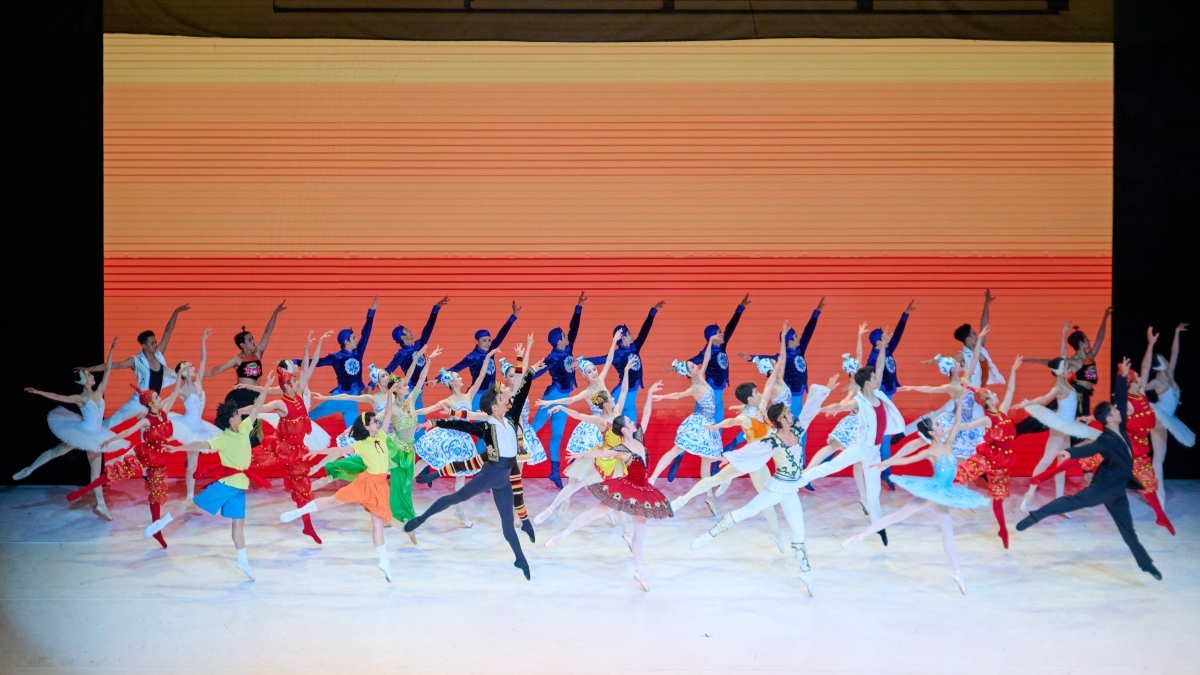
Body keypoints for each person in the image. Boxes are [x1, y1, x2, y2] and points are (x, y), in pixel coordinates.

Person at [1016, 359, 1162, 582]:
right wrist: (1069, 453)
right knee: (1072, 502)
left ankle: (1147, 565)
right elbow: (1089, 449)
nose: (1119, 410)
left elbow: (1120, 399)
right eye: (1115, 410)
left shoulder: (1120, 427)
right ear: (1109, 418)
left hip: (1118, 491)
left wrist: (1122, 376)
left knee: (1128, 531)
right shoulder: (1105, 439)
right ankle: (1035, 516)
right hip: (1102, 489)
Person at [689, 374, 835, 597]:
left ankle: (806, 572)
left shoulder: (797, 430)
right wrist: (727, 457)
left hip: (792, 490)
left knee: (799, 532)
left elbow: (809, 411)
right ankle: (710, 534)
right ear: (781, 419)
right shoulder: (772, 441)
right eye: (788, 414)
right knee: (747, 511)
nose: (792, 415)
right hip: (777, 488)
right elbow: (751, 450)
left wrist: (825, 390)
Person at [405, 355, 538, 580]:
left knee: (507, 524)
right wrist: (435, 421)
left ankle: (520, 559)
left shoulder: (511, 417)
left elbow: (521, 390)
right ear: (494, 407)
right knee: (456, 497)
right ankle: (421, 519)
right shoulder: (487, 427)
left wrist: (530, 370)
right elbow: (462, 424)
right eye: (503, 399)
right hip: (491, 474)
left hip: (504, 478)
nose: (507, 400)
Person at [843, 396, 989, 596]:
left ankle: (958, 574)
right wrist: (884, 463)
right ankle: (861, 536)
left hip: (944, 494)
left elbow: (957, 422)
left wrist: (962, 396)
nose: (941, 425)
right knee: (899, 516)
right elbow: (908, 459)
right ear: (932, 432)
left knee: (948, 535)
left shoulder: (948, 444)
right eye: (938, 424)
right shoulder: (931, 451)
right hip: (934, 492)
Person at [543, 382, 670, 591]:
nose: (634, 422)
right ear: (625, 429)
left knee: (640, 532)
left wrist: (649, 393)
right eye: (630, 421)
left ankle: (639, 571)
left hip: (643, 491)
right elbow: (602, 453)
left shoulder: (639, 437)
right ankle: (563, 535)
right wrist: (582, 454)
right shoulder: (622, 449)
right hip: (625, 490)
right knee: (593, 514)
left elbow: (647, 413)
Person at [312, 346, 444, 535]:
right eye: (384, 376)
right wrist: (347, 424)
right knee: (370, 470)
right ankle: (333, 474)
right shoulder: (385, 404)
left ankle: (392, 514)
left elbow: (419, 378)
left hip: (407, 450)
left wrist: (427, 359)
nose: (407, 385)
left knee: (402, 485)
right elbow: (363, 410)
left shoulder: (410, 400)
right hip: (389, 445)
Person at [282, 379, 405, 582]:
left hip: (381, 486)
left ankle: (384, 562)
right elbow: (338, 450)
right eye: (374, 421)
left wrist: (390, 394)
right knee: (333, 501)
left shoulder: (382, 436)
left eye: (377, 421)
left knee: (378, 525)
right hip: (366, 483)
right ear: (367, 427)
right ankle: (299, 511)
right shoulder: (362, 444)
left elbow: (388, 414)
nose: (378, 422)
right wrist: (317, 452)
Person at [1029, 367, 1175, 535]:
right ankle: (1047, 475)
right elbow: (1114, 415)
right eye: (1137, 378)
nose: (1141, 379)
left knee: (1148, 486)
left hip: (1137, 450)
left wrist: (1091, 417)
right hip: (1123, 447)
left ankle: (1161, 516)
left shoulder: (1140, 396)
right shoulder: (1128, 402)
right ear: (1132, 383)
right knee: (1084, 453)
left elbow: (1123, 411)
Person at [797, 328, 904, 545]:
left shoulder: (878, 395)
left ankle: (878, 527)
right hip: (860, 447)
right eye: (874, 378)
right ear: (867, 383)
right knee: (830, 467)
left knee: (873, 494)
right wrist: (820, 408)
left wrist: (884, 346)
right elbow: (840, 405)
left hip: (873, 452)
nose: (877, 379)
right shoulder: (860, 400)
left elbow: (880, 366)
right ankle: (795, 481)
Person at [157, 381, 273, 579]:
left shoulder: (244, 428)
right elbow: (200, 444)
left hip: (239, 487)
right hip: (226, 486)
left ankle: (242, 562)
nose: (240, 415)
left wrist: (267, 386)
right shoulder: (222, 438)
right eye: (236, 414)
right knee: (191, 505)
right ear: (231, 420)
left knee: (238, 525)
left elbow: (257, 408)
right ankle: (160, 524)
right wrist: (176, 448)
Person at [17, 337, 125, 518]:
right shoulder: (80, 398)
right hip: (81, 432)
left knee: (96, 472)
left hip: (97, 435)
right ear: (84, 381)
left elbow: (108, 370)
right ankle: (29, 469)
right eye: (89, 375)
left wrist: (112, 349)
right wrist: (38, 391)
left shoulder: (99, 391)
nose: (92, 376)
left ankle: (101, 505)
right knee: (56, 452)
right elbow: (57, 396)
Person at [71, 381, 186, 548]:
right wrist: (110, 439)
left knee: (156, 493)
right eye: (156, 397)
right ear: (150, 403)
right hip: (148, 455)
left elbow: (174, 393)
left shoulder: (164, 412)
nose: (160, 398)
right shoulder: (147, 420)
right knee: (118, 472)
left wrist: (180, 374)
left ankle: (157, 530)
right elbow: (128, 431)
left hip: (161, 458)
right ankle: (86, 489)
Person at [946, 355, 1024, 548]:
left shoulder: (1002, 412)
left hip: (1001, 463)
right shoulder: (988, 418)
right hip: (989, 458)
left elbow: (1011, 390)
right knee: (960, 476)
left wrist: (1013, 369)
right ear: (988, 400)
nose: (997, 394)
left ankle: (1002, 529)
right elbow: (966, 425)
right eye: (992, 393)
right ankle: (937, 490)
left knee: (998, 498)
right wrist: (950, 427)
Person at [414, 348, 496, 528]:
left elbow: (481, 376)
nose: (461, 377)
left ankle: (460, 510)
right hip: (446, 437)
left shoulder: (469, 395)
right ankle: (402, 490)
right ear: (451, 382)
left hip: (463, 440)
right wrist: (408, 411)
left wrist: (488, 357)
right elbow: (428, 410)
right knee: (424, 460)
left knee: (461, 476)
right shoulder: (447, 401)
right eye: (457, 376)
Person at [73, 304, 188, 429]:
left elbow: (168, 332)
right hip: (138, 403)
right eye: (152, 343)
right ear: (144, 346)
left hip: (152, 404)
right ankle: (89, 432)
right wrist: (89, 369)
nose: (155, 344)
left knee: (148, 435)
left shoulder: (158, 354)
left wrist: (176, 312)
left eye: (155, 341)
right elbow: (114, 365)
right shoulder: (136, 361)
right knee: (110, 423)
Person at [250, 363, 325, 544]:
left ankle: (308, 526)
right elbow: (259, 409)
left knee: (303, 490)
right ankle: (214, 471)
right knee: (246, 460)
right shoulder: (280, 403)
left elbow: (307, 367)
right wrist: (237, 412)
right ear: (288, 385)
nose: (299, 383)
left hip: (297, 452)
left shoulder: (298, 397)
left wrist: (309, 350)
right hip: (280, 446)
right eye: (294, 381)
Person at [205, 300, 288, 447]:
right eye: (249, 340)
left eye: (252, 338)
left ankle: (249, 455)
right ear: (242, 345)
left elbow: (267, 332)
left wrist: (275, 313)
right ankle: (203, 448)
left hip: (255, 396)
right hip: (241, 396)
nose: (253, 341)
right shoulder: (237, 359)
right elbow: (217, 369)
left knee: (251, 429)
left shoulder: (258, 353)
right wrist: (199, 376)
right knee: (229, 425)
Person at [529, 292, 587, 488]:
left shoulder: (567, 349)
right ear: (558, 341)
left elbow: (574, 329)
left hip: (563, 399)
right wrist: (520, 379)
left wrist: (578, 307)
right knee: (533, 430)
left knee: (557, 436)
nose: (566, 336)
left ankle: (554, 472)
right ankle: (507, 460)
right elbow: (536, 373)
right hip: (552, 398)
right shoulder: (552, 357)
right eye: (563, 336)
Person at [646, 335, 721, 485]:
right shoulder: (694, 388)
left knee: (706, 460)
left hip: (709, 423)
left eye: (694, 365)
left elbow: (706, 358)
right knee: (676, 450)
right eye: (693, 366)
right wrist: (662, 397)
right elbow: (678, 395)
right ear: (689, 374)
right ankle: (652, 478)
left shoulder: (701, 377)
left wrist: (711, 341)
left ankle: (708, 495)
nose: (697, 366)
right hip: (700, 423)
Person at [581, 299, 666, 426]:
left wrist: (653, 312)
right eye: (629, 333)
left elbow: (644, 332)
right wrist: (581, 361)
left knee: (631, 430)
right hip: (620, 396)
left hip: (631, 401)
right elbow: (601, 359)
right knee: (607, 424)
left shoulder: (635, 347)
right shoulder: (618, 355)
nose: (632, 335)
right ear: (623, 337)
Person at [1016, 352, 1081, 514]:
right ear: (1059, 371)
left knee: (1062, 464)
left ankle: (1060, 502)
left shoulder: (1065, 383)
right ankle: (1030, 493)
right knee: (1047, 459)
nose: (1069, 369)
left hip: (1067, 428)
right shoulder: (1059, 386)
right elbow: (1044, 398)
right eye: (1066, 367)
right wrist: (1027, 404)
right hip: (1059, 427)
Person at [737, 297, 825, 414]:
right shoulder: (784, 357)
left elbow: (808, 332)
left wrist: (816, 313)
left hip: (800, 390)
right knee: (788, 415)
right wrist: (752, 358)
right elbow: (769, 358)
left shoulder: (800, 349)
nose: (799, 338)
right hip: (791, 392)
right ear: (790, 342)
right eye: (796, 336)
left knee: (790, 415)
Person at [1023, 308, 1112, 422]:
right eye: (1086, 339)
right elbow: (1053, 362)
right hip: (1078, 394)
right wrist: (1036, 360)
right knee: (1078, 421)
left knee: (1081, 422)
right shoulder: (1074, 361)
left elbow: (1100, 338)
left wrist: (1105, 316)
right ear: (1081, 343)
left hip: (1085, 394)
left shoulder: (1090, 356)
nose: (1089, 341)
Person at [863, 301, 915, 490]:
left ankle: (885, 471)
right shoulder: (873, 358)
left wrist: (905, 315)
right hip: (881, 399)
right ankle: (883, 472)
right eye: (884, 336)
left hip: (889, 397)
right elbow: (868, 379)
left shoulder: (887, 350)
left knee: (887, 435)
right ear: (878, 341)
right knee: (884, 437)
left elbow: (898, 335)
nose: (889, 337)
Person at [1140, 324, 1193, 503]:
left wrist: (1176, 332)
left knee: (1159, 458)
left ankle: (1155, 489)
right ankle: (1157, 493)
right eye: (1164, 359)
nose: (1168, 360)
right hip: (1159, 417)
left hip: (1167, 418)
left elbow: (1175, 352)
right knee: (1157, 458)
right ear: (1161, 365)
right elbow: (1143, 385)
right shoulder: (1158, 381)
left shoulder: (1169, 374)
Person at [385, 296, 450, 439]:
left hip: (418, 388)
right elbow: (388, 369)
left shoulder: (418, 346)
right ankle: (412, 444)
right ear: (403, 337)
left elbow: (427, 330)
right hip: (410, 390)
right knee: (415, 418)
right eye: (406, 330)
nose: (409, 330)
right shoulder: (402, 353)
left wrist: (435, 309)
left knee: (417, 418)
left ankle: (413, 444)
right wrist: (374, 384)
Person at [167, 328, 221, 501]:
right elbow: (168, 399)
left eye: (191, 365)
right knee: (192, 463)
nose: (192, 367)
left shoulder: (198, 382)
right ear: (183, 372)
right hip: (189, 427)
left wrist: (203, 341)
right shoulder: (182, 390)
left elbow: (203, 359)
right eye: (188, 367)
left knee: (198, 460)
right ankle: (189, 496)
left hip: (200, 425)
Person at [308, 296, 379, 426]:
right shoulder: (337, 357)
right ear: (346, 341)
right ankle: (283, 429)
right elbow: (316, 362)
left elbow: (366, 335)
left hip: (352, 400)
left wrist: (371, 313)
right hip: (339, 398)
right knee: (309, 417)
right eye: (353, 338)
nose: (356, 340)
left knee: (354, 431)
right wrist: (294, 362)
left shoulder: (358, 353)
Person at [448, 301, 521, 410]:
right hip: (478, 394)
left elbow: (501, 334)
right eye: (484, 341)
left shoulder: (490, 350)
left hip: (491, 393)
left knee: (492, 417)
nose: (488, 343)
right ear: (477, 342)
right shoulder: (473, 357)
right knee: (472, 417)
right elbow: (456, 368)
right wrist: (438, 378)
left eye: (489, 340)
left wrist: (513, 316)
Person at [948, 289, 1006, 389]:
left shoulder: (980, 348)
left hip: (981, 391)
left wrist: (986, 304)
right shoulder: (963, 355)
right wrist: (935, 360)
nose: (977, 335)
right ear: (968, 340)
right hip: (971, 391)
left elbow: (984, 325)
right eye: (974, 334)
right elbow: (948, 362)